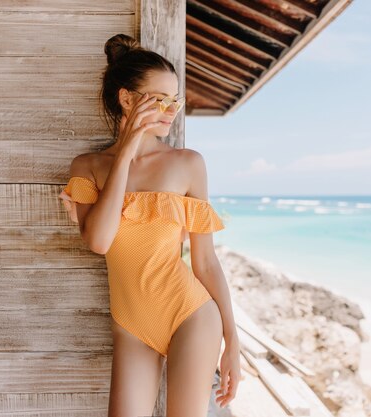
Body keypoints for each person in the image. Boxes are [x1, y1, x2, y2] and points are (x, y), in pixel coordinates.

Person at [59, 33, 241, 417]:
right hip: (131, 325)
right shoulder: (88, 167)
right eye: (159, 99)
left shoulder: (188, 164)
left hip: (190, 313)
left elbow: (205, 263)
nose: (171, 110)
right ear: (127, 99)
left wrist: (233, 342)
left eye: (174, 100)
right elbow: (99, 242)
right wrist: (125, 153)